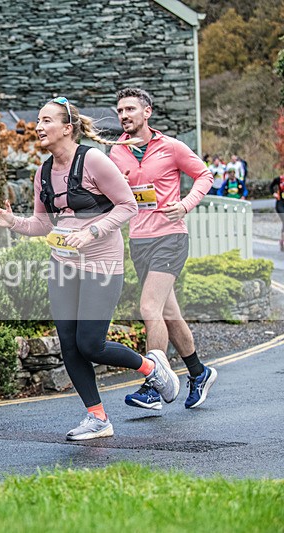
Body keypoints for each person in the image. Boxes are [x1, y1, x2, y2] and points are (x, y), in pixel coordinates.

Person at [0, 97, 179, 441]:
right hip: (63, 265)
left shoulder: (92, 160)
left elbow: (128, 205)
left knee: (91, 344)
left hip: (101, 263)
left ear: (67, 127)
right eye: (39, 121)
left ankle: (152, 368)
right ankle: (97, 418)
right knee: (69, 345)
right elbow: (42, 225)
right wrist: (12, 222)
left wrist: (92, 231)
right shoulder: (43, 172)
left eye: (47, 120)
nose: (39, 127)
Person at [109, 87, 217, 411]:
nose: (124, 115)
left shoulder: (171, 147)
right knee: (169, 314)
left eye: (130, 109)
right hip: (139, 240)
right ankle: (199, 372)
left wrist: (185, 205)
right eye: (120, 111)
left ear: (147, 112)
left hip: (170, 236)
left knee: (149, 309)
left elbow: (204, 175)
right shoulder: (116, 152)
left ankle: (154, 385)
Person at [269, 175, 284, 251]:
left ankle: (282, 240)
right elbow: (271, 186)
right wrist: (273, 193)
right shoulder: (279, 179)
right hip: (280, 203)